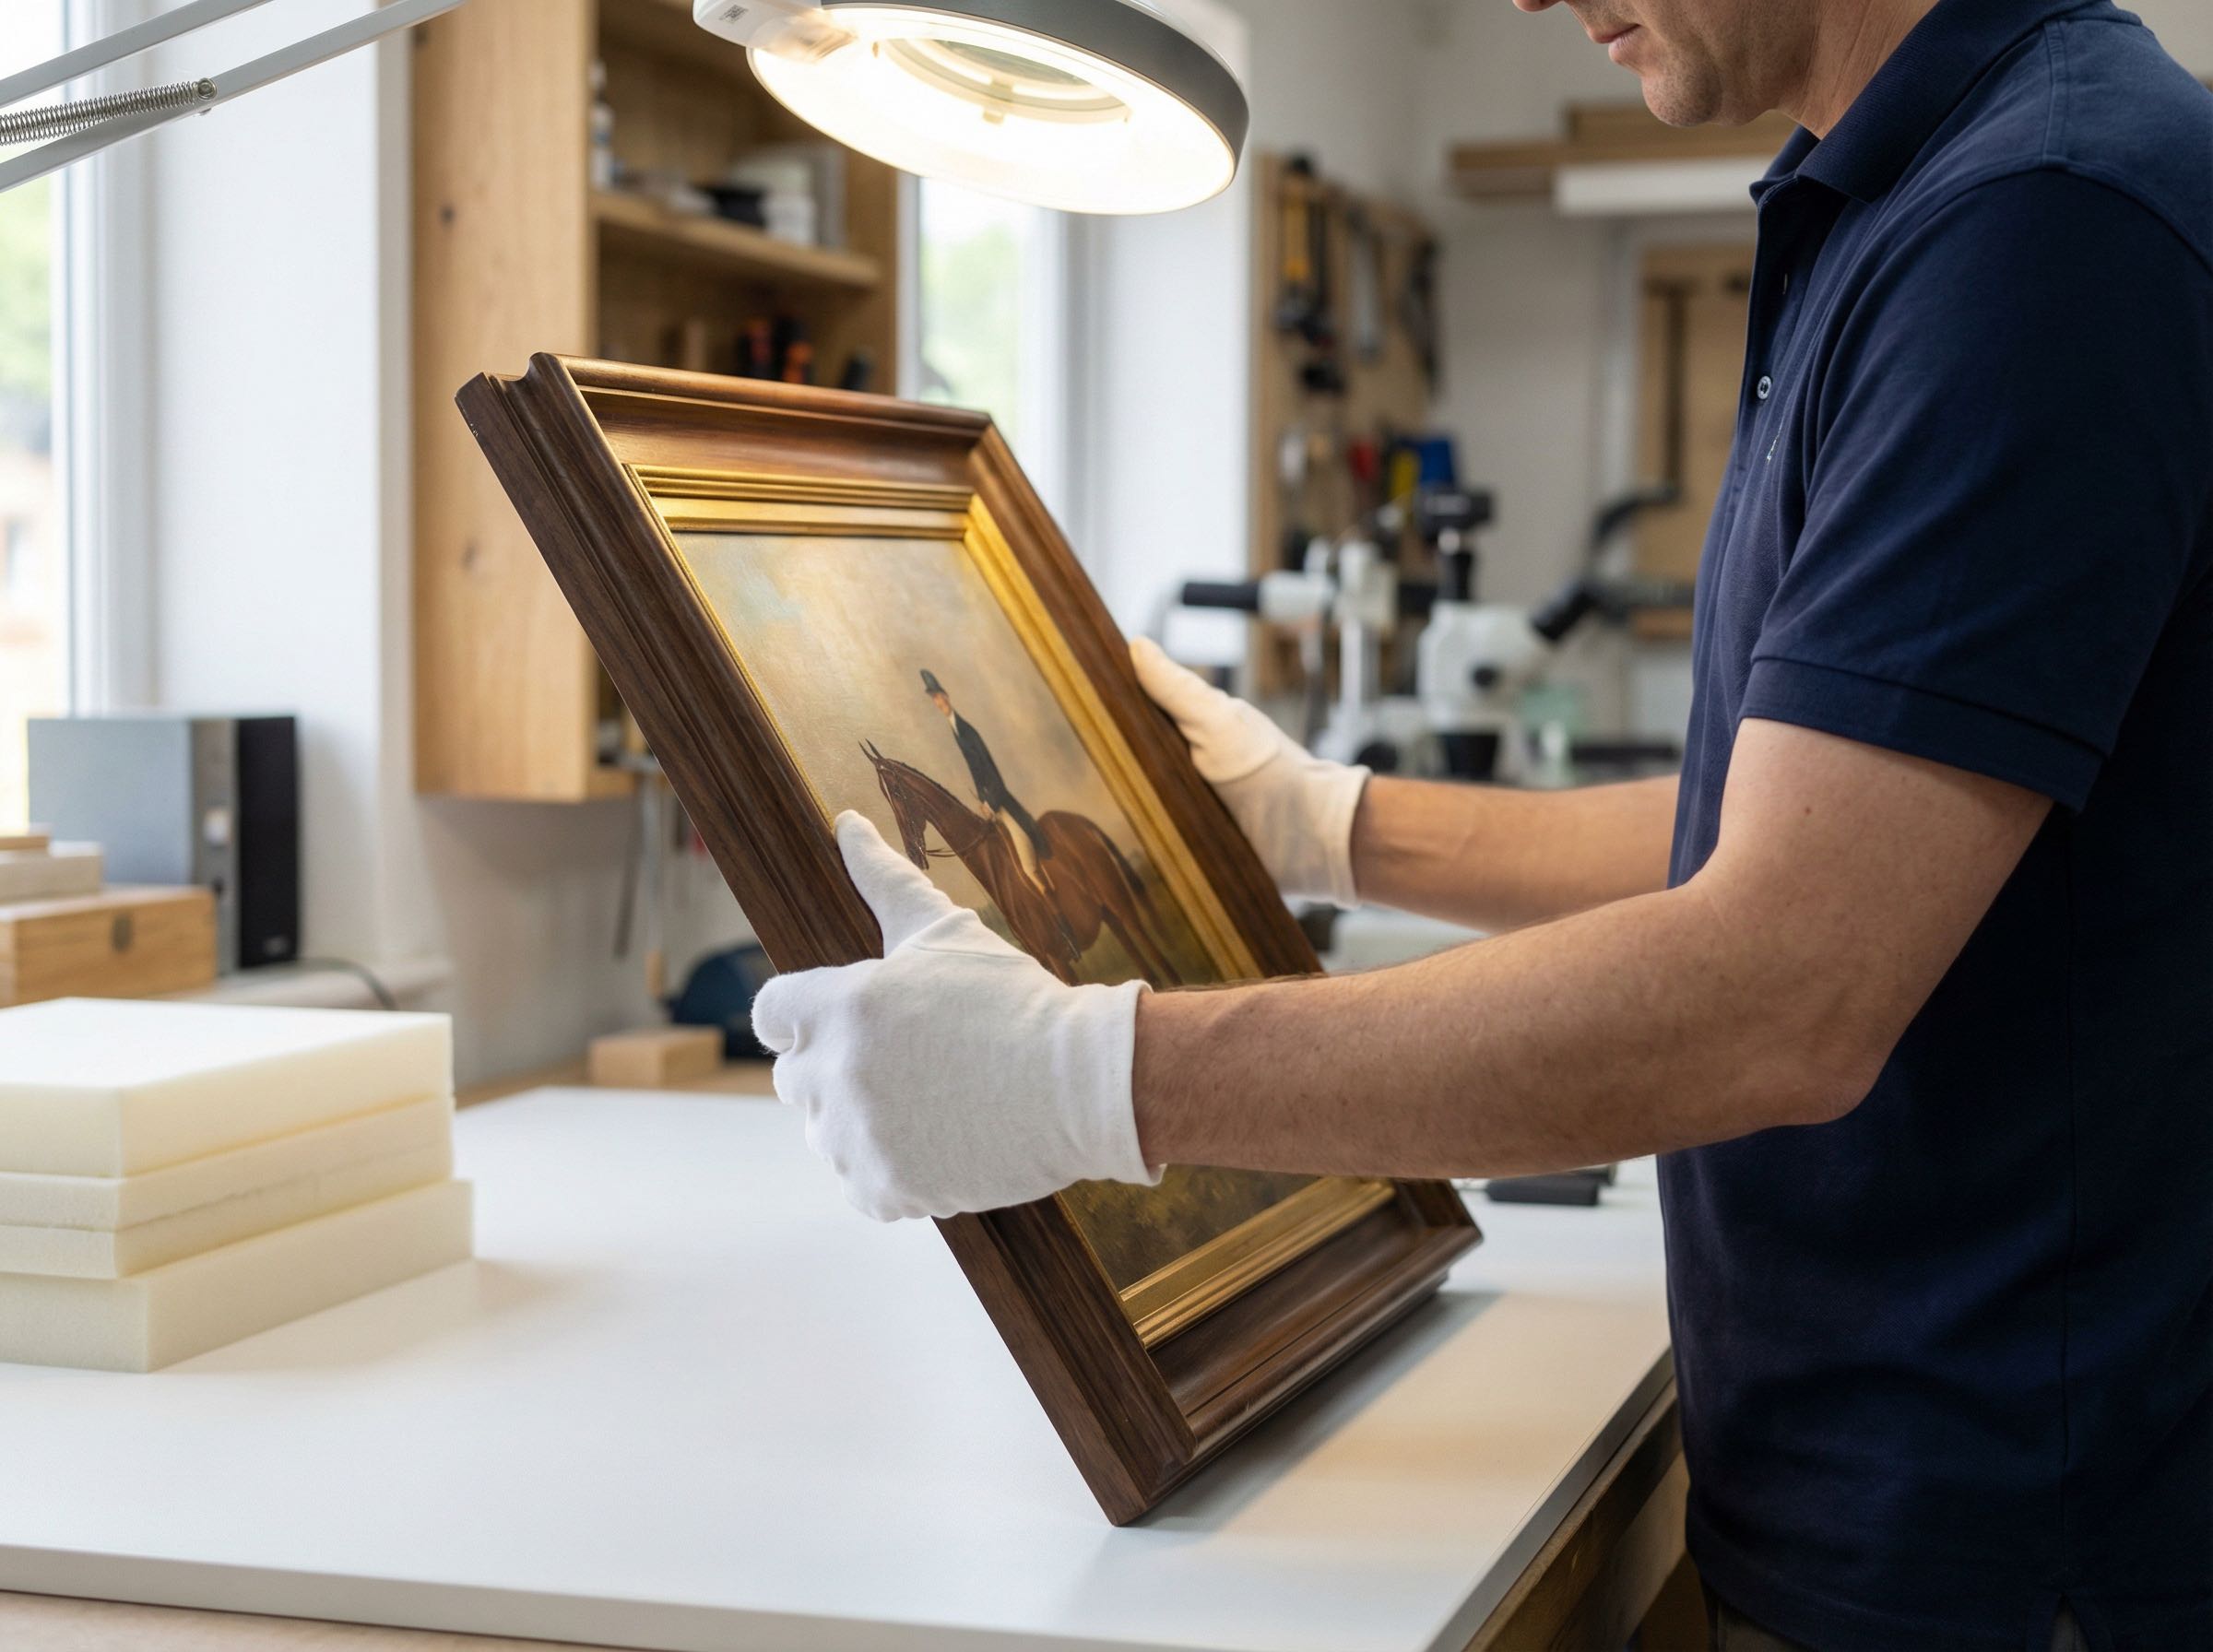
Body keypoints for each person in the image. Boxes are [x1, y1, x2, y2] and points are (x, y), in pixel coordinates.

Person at [752, 0, 2212, 1644]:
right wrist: (1328, 822)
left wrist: (1090, 1077)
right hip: (1901, 1481)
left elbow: (1785, 978)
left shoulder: (2042, 220)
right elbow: (1813, 821)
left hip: (2012, 1546)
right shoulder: (1905, 195)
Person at [920, 667, 1053, 896]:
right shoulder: (955, 729)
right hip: (990, 801)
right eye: (934, 700)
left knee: (1028, 869)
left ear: (946, 696)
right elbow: (977, 772)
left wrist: (991, 803)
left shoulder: (967, 731)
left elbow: (991, 774)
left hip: (1001, 802)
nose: (938, 702)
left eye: (939, 697)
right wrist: (982, 801)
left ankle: (1056, 911)